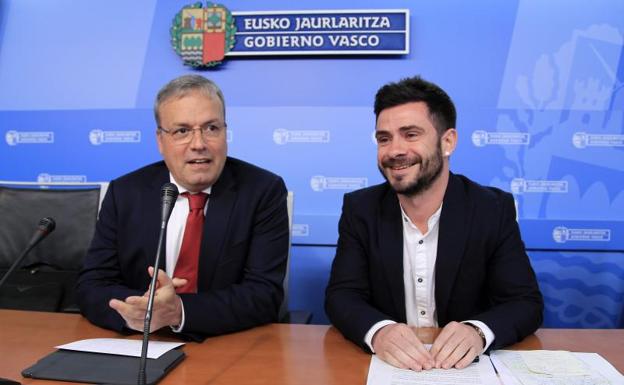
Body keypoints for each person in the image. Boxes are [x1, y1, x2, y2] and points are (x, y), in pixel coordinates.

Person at [325, 76, 543, 371]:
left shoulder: (491, 209)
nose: (394, 151)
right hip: (390, 369)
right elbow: (342, 296)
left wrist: (478, 331)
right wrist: (379, 331)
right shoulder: (360, 209)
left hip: (466, 371)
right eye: (384, 138)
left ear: (448, 141)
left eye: (411, 134)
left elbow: (524, 303)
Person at [77, 75, 289, 339]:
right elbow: (92, 285)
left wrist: (179, 311)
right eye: (182, 131)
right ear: (160, 140)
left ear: (225, 132)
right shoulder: (125, 193)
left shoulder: (262, 191)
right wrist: (140, 310)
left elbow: (264, 294)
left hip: (224, 343)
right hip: (141, 342)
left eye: (211, 128)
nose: (199, 144)